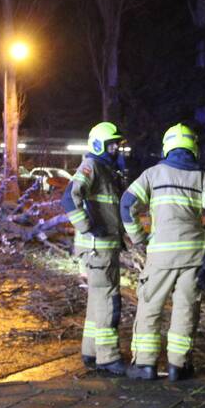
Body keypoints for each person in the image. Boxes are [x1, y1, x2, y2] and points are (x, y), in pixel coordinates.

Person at [121, 123, 205, 381]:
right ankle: (179, 366)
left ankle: (145, 365)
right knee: (186, 308)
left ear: (167, 146)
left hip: (161, 255)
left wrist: (139, 238)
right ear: (193, 147)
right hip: (193, 254)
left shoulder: (153, 174)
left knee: (150, 306)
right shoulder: (202, 177)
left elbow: (127, 204)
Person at [61, 122, 128, 376]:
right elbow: (69, 197)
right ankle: (108, 358)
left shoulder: (104, 169)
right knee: (109, 301)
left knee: (97, 300)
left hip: (100, 248)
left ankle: (90, 352)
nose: (116, 148)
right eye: (112, 144)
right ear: (99, 145)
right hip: (97, 248)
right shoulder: (92, 166)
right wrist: (88, 227)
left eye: (117, 144)